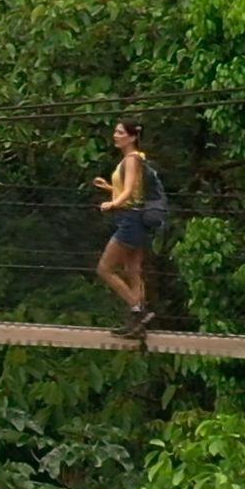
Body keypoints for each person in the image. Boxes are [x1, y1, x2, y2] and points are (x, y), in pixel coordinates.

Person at [92, 117, 163, 336]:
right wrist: (109, 188)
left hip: (130, 220)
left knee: (104, 268)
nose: (116, 135)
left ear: (132, 137)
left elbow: (130, 192)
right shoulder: (134, 160)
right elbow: (133, 192)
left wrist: (112, 203)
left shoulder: (132, 159)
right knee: (133, 271)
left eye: (120, 132)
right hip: (136, 217)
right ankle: (137, 325)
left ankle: (138, 310)